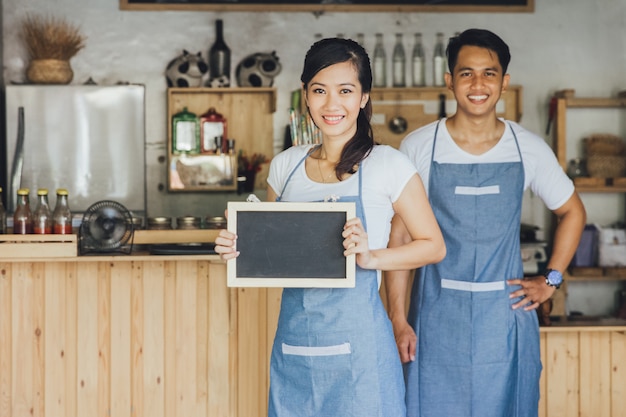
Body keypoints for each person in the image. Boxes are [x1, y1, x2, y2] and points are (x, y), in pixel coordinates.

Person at [215, 37, 445, 417]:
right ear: (305, 95)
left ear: (364, 97)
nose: (331, 104)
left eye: (345, 90)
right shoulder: (285, 167)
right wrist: (237, 247)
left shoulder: (388, 165)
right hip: (294, 347)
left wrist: (371, 257)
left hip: (362, 355)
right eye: (319, 90)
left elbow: (433, 246)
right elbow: (275, 253)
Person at [385, 28, 586, 417]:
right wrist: (397, 318)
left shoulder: (527, 147)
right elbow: (400, 236)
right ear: (449, 81)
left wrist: (551, 281)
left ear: (504, 82)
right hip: (433, 320)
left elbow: (573, 211)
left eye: (489, 73)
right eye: (466, 73)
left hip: (506, 319)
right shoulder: (419, 146)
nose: (478, 84)